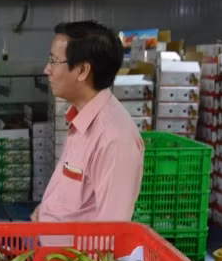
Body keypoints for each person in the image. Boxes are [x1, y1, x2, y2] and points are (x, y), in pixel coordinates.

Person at [32, 21, 144, 222]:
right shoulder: (81, 117)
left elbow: (112, 231)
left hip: (75, 254)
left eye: (53, 61)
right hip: (51, 249)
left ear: (83, 70)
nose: (46, 69)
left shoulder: (114, 140)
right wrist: (46, 210)